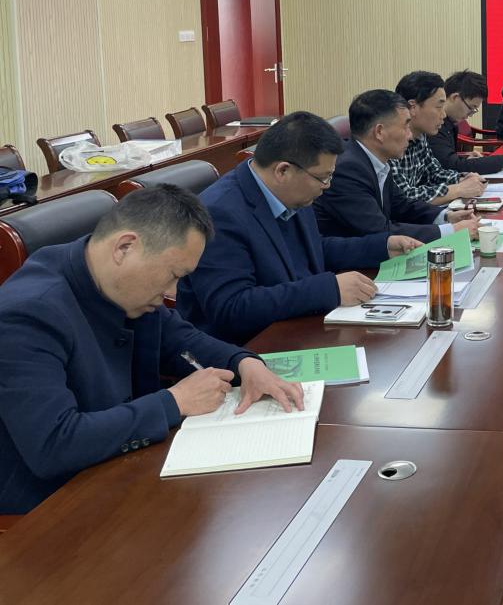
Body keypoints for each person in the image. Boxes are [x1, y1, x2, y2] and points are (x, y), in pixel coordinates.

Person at [0, 185, 303, 515]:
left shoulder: (118, 282)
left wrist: (244, 364)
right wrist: (175, 401)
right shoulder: (27, 314)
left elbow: (180, 340)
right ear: (124, 247)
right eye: (173, 275)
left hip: (123, 469)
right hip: (50, 508)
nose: (172, 292)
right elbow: (55, 444)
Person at [177, 111, 418, 345]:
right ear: (283, 170)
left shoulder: (291, 191)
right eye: (323, 177)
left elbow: (313, 249)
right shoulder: (219, 213)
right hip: (249, 347)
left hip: (298, 324)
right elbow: (233, 307)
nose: (327, 186)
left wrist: (381, 246)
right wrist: (329, 290)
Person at [315, 89, 480, 241]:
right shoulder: (347, 169)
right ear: (380, 132)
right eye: (405, 126)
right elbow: (379, 231)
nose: (410, 135)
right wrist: (450, 231)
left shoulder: (376, 159)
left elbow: (402, 205)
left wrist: (446, 216)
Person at [392, 71, 487, 207]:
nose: (443, 115)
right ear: (413, 107)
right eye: (439, 107)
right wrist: (459, 189)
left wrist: (462, 178)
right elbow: (405, 198)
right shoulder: (391, 141)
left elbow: (434, 173)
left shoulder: (420, 135)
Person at [428, 70, 503, 175]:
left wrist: (466, 158)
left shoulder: (451, 122)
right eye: (471, 108)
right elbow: (452, 166)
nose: (471, 114)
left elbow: (446, 159)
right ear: (455, 97)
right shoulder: (434, 125)